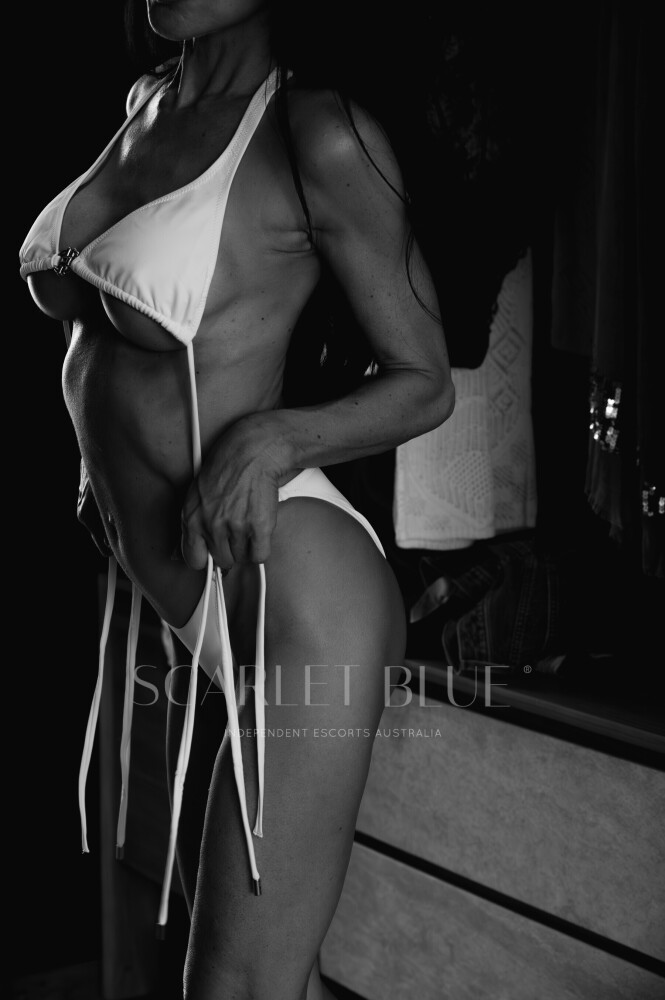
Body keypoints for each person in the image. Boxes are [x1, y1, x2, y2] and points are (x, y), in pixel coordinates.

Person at [19, 0, 453, 996]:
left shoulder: (316, 135)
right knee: (262, 976)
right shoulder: (145, 104)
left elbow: (425, 381)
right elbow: (107, 346)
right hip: (185, 587)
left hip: (298, 593)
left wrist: (273, 435)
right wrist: (98, 472)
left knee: (235, 987)